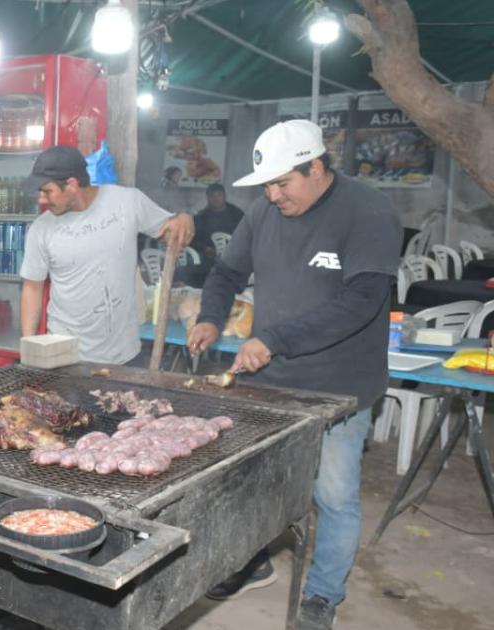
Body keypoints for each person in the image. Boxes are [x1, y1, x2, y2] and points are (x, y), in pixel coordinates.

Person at [186, 120, 401, 630]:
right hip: (272, 380)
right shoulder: (264, 211)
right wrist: (211, 317)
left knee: (333, 493)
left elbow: (361, 302)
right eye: (266, 184)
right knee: (254, 480)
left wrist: (275, 339)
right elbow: (226, 272)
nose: (272, 194)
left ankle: (323, 594)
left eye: (284, 183)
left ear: (317, 167)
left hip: (340, 386)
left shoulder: (368, 212)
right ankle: (252, 559)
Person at [19, 145, 194, 364]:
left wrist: (183, 219)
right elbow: (32, 287)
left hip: (124, 353)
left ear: (72, 185)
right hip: (63, 355)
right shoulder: (41, 228)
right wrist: (29, 347)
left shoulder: (127, 202)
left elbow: (170, 229)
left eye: (47, 191)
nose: (42, 200)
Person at [186, 183, 244, 287]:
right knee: (192, 264)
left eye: (219, 195)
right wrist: (205, 248)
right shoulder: (201, 217)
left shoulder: (237, 214)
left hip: (233, 256)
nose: (216, 198)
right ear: (207, 198)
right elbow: (192, 239)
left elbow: (245, 237)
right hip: (207, 257)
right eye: (212, 196)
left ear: (224, 196)